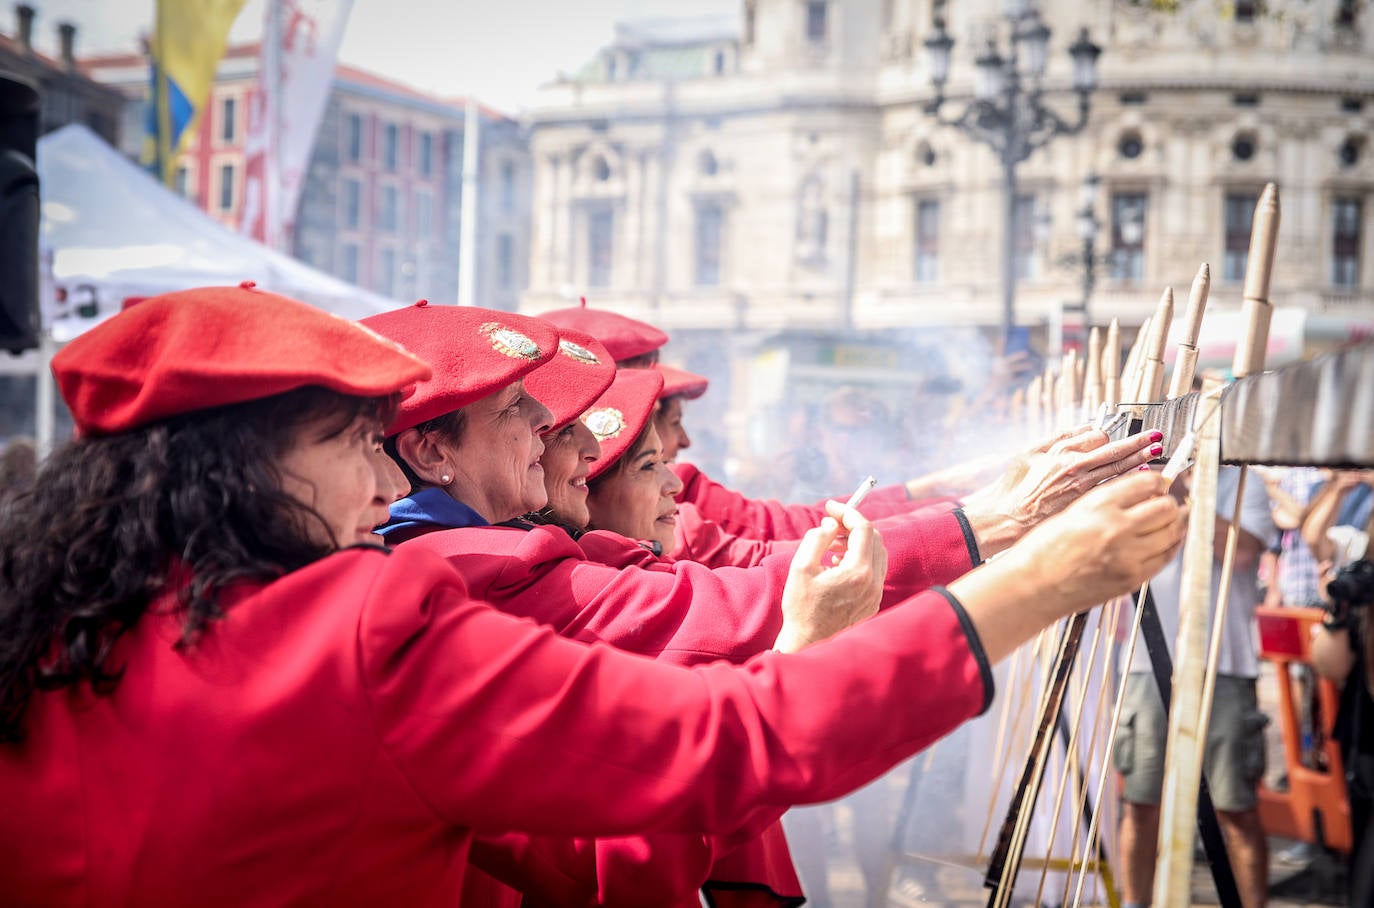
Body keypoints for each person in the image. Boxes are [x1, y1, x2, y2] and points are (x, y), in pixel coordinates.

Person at [0, 283, 1186, 905]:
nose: (374, 468)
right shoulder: (368, 623)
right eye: (350, 438)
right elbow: (725, 742)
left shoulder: (48, 634)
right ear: (237, 464)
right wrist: (1041, 573)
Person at [1114, 465, 1277, 908]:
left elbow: (1243, 553)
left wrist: (1191, 492)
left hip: (1224, 664)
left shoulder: (1244, 482)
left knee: (1234, 805)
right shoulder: (1142, 482)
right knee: (1142, 801)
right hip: (1148, 662)